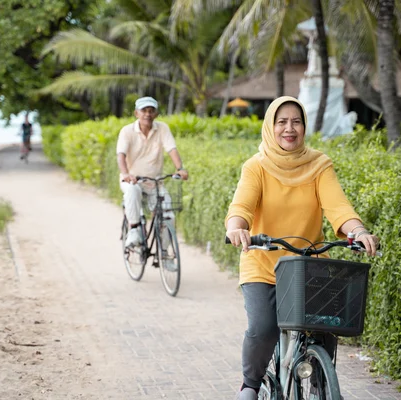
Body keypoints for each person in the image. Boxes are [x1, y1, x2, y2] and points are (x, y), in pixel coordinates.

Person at [224, 96, 379, 400]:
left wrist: (357, 230)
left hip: (309, 265)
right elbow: (241, 205)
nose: (289, 128)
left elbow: (338, 206)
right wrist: (236, 229)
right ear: (270, 126)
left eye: (296, 121)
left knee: (325, 328)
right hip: (263, 264)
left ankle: (322, 387)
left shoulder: (319, 164)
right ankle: (250, 385)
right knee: (264, 328)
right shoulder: (256, 167)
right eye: (281, 122)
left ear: (304, 126)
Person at [117, 96, 189, 248]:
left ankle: (164, 254)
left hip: (155, 182)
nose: (147, 114)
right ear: (136, 113)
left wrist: (180, 168)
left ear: (155, 114)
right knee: (132, 191)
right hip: (133, 180)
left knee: (168, 216)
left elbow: (172, 149)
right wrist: (125, 174)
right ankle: (134, 229)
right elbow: (121, 155)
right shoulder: (127, 131)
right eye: (144, 111)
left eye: (151, 111)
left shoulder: (162, 128)